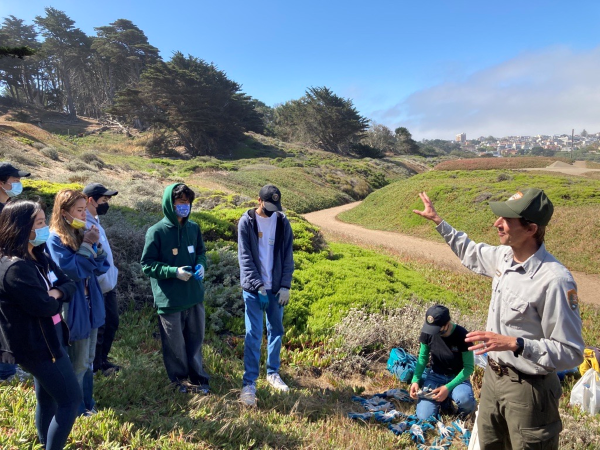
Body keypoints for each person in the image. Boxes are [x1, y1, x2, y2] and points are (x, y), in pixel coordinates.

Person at [414, 189, 584, 449]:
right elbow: (469, 251)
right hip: (494, 380)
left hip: (529, 390)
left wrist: (517, 343)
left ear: (531, 229)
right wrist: (439, 221)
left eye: (507, 219)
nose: (497, 223)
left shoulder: (555, 280)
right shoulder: (504, 257)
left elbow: (571, 352)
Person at [0, 200, 81, 450]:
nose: (46, 227)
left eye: (45, 221)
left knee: (47, 398)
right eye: (39, 223)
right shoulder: (15, 268)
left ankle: (46, 442)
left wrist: (55, 294)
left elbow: (68, 284)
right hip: (39, 346)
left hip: (50, 338)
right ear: (21, 228)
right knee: (71, 401)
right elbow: (43, 307)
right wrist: (56, 297)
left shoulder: (39, 255)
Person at [140, 183, 210, 394]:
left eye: (187, 203)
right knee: (175, 344)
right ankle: (180, 381)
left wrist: (201, 265)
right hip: (170, 299)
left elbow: (201, 252)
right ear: (170, 204)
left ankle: (198, 378)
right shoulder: (156, 231)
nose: (185, 206)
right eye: (180, 202)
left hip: (194, 295)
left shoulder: (194, 228)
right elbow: (147, 265)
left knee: (196, 339)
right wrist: (173, 271)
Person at [47, 189, 109, 416]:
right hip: (74, 305)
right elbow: (72, 271)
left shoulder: (80, 232)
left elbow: (100, 267)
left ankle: (87, 402)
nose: (84, 215)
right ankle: (76, 408)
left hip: (90, 301)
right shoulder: (55, 239)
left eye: (85, 210)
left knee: (89, 359)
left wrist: (96, 246)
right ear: (64, 212)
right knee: (79, 361)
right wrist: (87, 247)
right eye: (79, 210)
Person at [238, 184, 294, 406]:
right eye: (268, 205)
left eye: (275, 206)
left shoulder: (282, 222)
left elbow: (287, 255)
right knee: (253, 333)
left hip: (276, 289)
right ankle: (249, 383)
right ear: (258, 201)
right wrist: (257, 285)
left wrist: (285, 286)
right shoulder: (247, 222)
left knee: (276, 331)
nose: (272, 210)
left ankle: (273, 373)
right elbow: (245, 258)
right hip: (254, 290)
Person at [409, 304, 475, 421]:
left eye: (436, 329)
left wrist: (447, 388)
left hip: (457, 378)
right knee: (424, 417)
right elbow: (423, 358)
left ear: (447, 324)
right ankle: (444, 402)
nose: (432, 332)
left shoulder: (462, 335)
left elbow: (469, 368)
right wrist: (415, 380)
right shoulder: (428, 332)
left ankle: (462, 414)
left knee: (465, 400)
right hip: (435, 376)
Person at [83, 182, 120, 376]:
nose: (107, 203)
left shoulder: (95, 220)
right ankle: (95, 366)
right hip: (97, 286)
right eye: (104, 200)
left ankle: (101, 360)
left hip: (108, 284)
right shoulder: (84, 223)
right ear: (91, 200)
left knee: (111, 323)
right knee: (100, 326)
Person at [0, 162, 31, 381]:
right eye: (15, 180)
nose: (19, 184)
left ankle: (9, 366)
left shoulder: (9, 208)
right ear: (1, 183)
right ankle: (6, 371)